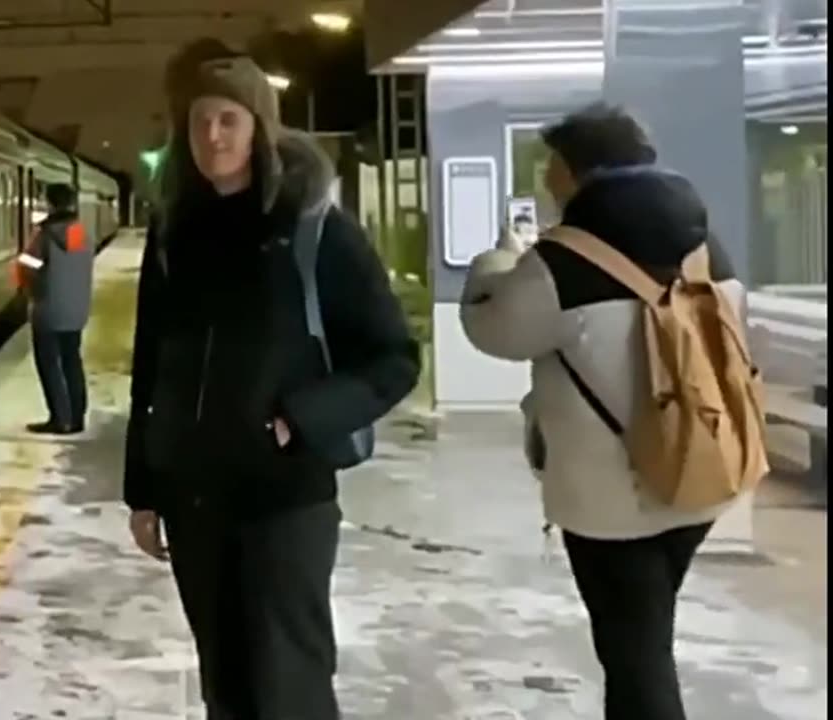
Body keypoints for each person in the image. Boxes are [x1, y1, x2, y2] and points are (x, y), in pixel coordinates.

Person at [123, 41, 419, 719]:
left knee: (289, 687)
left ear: (259, 126)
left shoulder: (316, 230)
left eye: (228, 119)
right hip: (196, 505)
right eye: (199, 121)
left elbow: (393, 357)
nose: (212, 135)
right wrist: (144, 488)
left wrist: (301, 418)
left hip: (285, 502)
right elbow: (150, 368)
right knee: (225, 685)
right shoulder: (173, 235)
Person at [459, 102, 750, 720]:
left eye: (551, 167)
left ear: (575, 170)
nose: (545, 181)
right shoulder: (706, 245)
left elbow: (493, 329)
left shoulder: (565, 258)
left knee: (635, 653)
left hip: (611, 500)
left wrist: (498, 260)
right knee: (641, 638)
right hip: (699, 474)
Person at [21, 182, 93, 435]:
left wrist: (30, 290)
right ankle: (76, 417)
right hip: (76, 311)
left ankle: (59, 418)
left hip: (49, 311)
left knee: (50, 365)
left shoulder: (44, 235)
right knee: (72, 362)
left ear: (50, 203)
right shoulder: (81, 233)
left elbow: (28, 269)